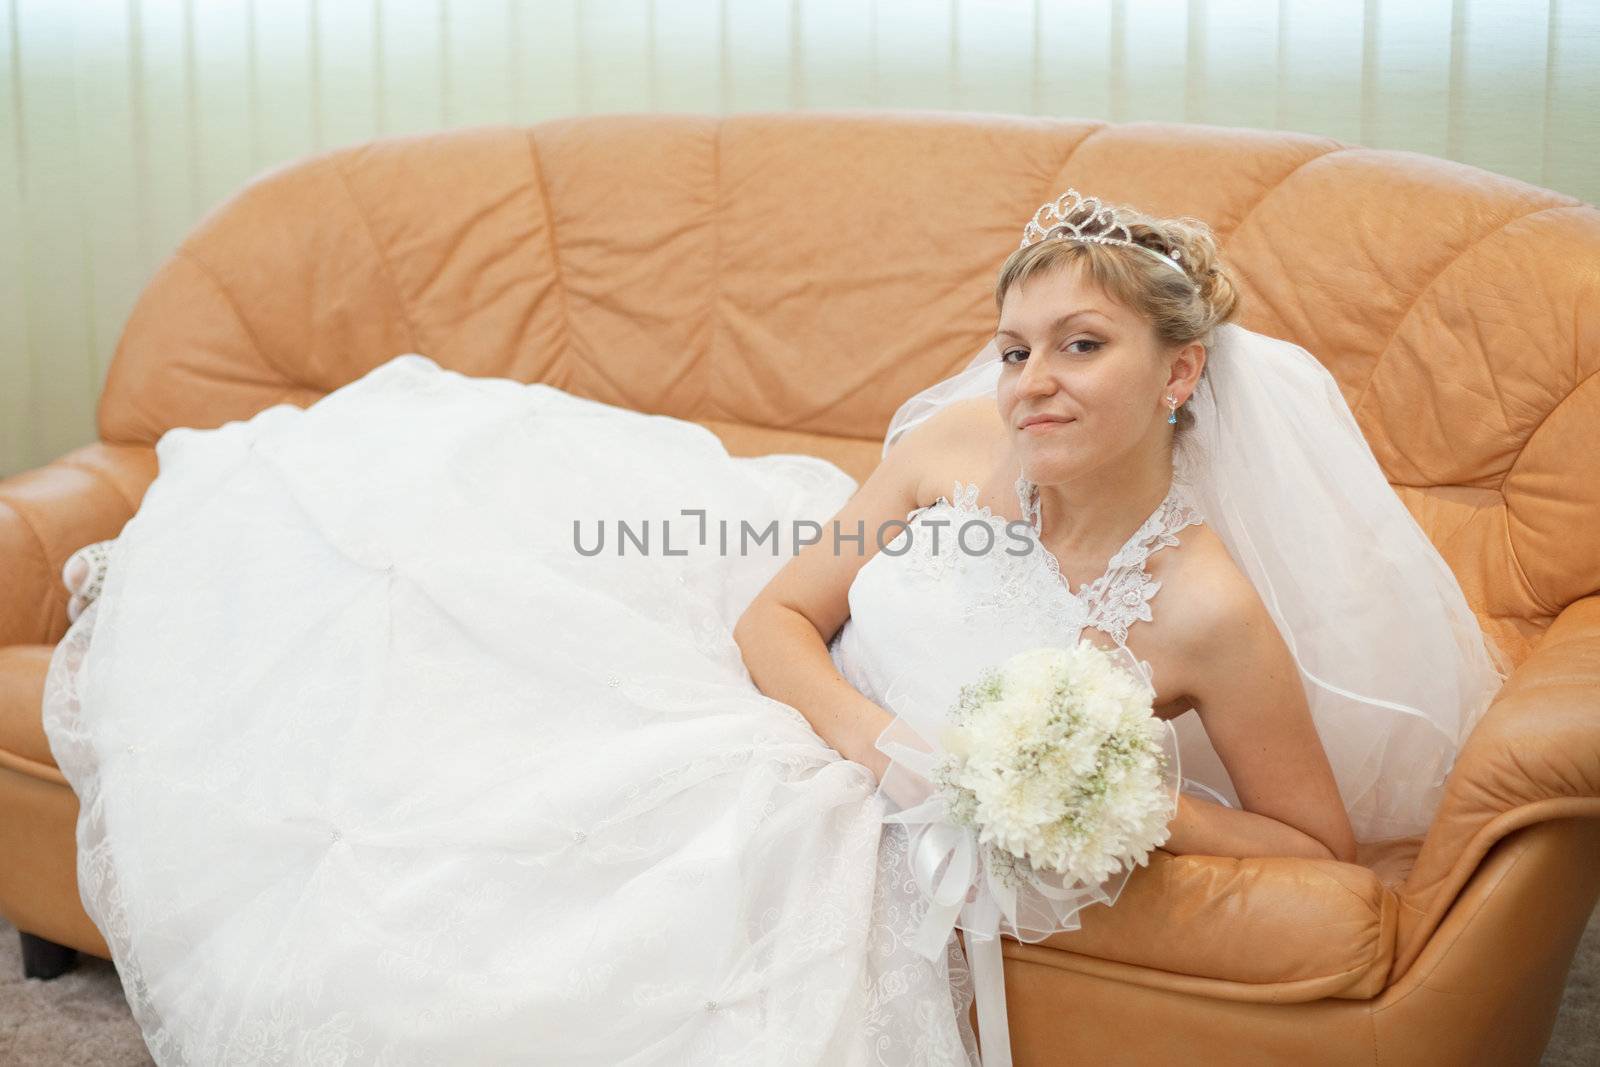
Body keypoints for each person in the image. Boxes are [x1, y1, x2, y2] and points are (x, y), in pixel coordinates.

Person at [42, 190, 1506, 1065]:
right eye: (1016, 350)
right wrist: (879, 744)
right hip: (806, 710)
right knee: (422, 568)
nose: (1034, 383)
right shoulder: (943, 449)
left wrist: (1103, 799)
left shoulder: (1204, 608)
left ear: (1181, 376)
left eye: (1083, 347)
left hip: (886, 814)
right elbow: (778, 616)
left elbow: (1318, 848)